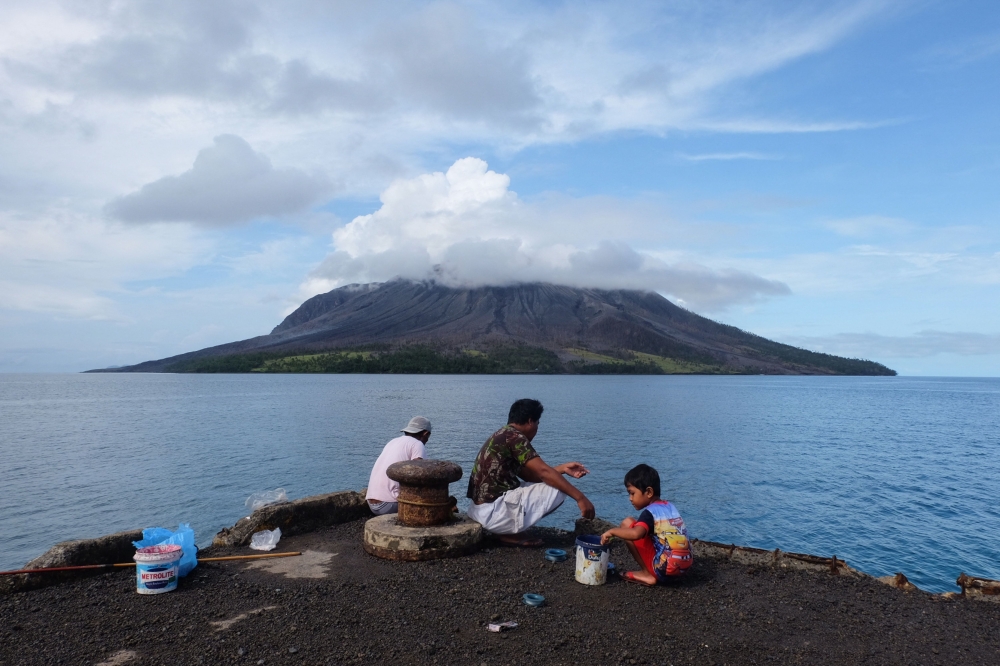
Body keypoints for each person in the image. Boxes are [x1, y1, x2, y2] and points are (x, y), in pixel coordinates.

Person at [466, 398, 595, 546]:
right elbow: (543, 472)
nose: (537, 429)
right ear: (530, 421)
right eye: (537, 423)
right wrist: (581, 498)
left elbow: (531, 476)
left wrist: (562, 469)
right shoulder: (516, 438)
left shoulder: (503, 434)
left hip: (479, 511)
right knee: (558, 489)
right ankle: (510, 532)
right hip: (492, 514)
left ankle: (507, 529)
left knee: (553, 481)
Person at [600, 463, 693, 585]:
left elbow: (636, 534)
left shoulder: (650, 512)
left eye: (632, 493)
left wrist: (612, 531)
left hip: (663, 571)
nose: (630, 498)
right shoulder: (670, 507)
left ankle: (646, 573)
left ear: (649, 492)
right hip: (683, 568)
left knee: (628, 523)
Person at [366, 416, 432, 515]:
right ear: (425, 433)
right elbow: (419, 476)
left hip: (372, 504)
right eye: (428, 437)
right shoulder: (417, 444)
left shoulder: (393, 442)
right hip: (389, 505)